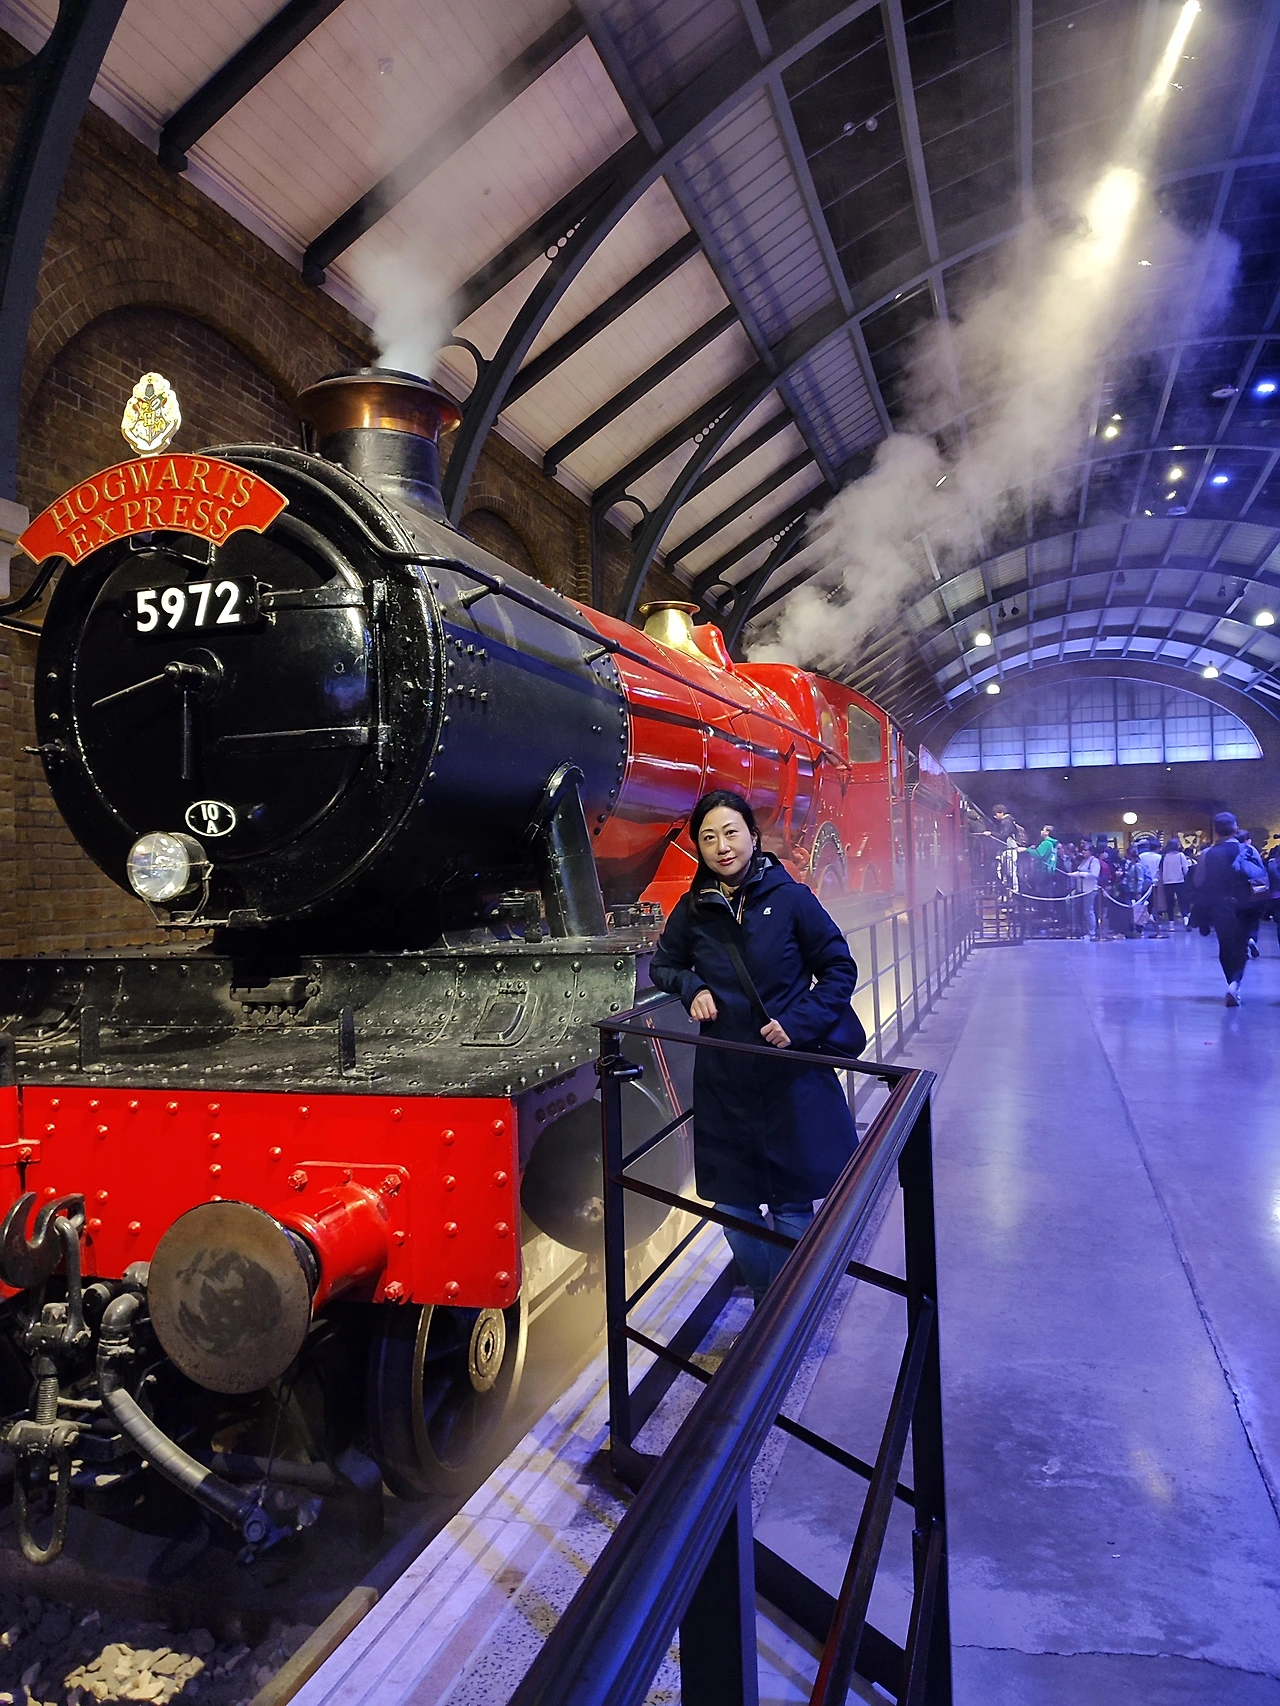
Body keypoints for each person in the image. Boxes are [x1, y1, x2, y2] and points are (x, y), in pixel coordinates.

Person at [650, 790, 864, 1303]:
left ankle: (783, 1310)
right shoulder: (693, 909)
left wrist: (799, 1022)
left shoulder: (792, 899)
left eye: (731, 833)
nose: (721, 846)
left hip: (788, 1071)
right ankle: (776, 1305)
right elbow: (664, 964)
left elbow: (839, 968)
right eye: (708, 838)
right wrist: (691, 988)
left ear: (752, 835)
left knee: (791, 1203)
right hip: (725, 1076)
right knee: (733, 1206)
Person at [1192, 812, 1268, 1005]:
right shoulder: (1248, 850)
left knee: (1225, 947)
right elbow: (1261, 878)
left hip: (1219, 906)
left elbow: (1198, 882)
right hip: (1245, 906)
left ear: (1215, 830)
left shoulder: (1207, 854)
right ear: (1235, 828)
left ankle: (1230, 984)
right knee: (1241, 946)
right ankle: (1235, 984)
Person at [1072, 840, 1102, 939]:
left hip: (1090, 889)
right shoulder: (1084, 860)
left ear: (1091, 851)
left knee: (1088, 911)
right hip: (1082, 889)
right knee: (1084, 911)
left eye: (1085, 850)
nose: (1083, 852)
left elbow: (1094, 875)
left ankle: (1091, 932)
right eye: (1082, 850)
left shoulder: (1094, 861)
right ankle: (1086, 931)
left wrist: (1080, 874)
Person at [1158, 836, 1189, 932]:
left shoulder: (1164, 856)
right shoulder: (1180, 855)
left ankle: (1171, 924)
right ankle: (1186, 920)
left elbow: (1160, 869)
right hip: (1180, 881)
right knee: (1182, 901)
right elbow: (1185, 869)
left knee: (1170, 903)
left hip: (1167, 882)